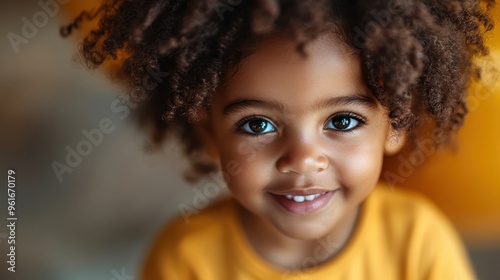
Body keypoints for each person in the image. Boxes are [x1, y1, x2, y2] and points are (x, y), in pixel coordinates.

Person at [62, 0, 496, 279]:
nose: (303, 159)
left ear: (396, 123)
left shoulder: (418, 240)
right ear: (208, 132)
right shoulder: (185, 259)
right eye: (258, 125)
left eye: (342, 121)